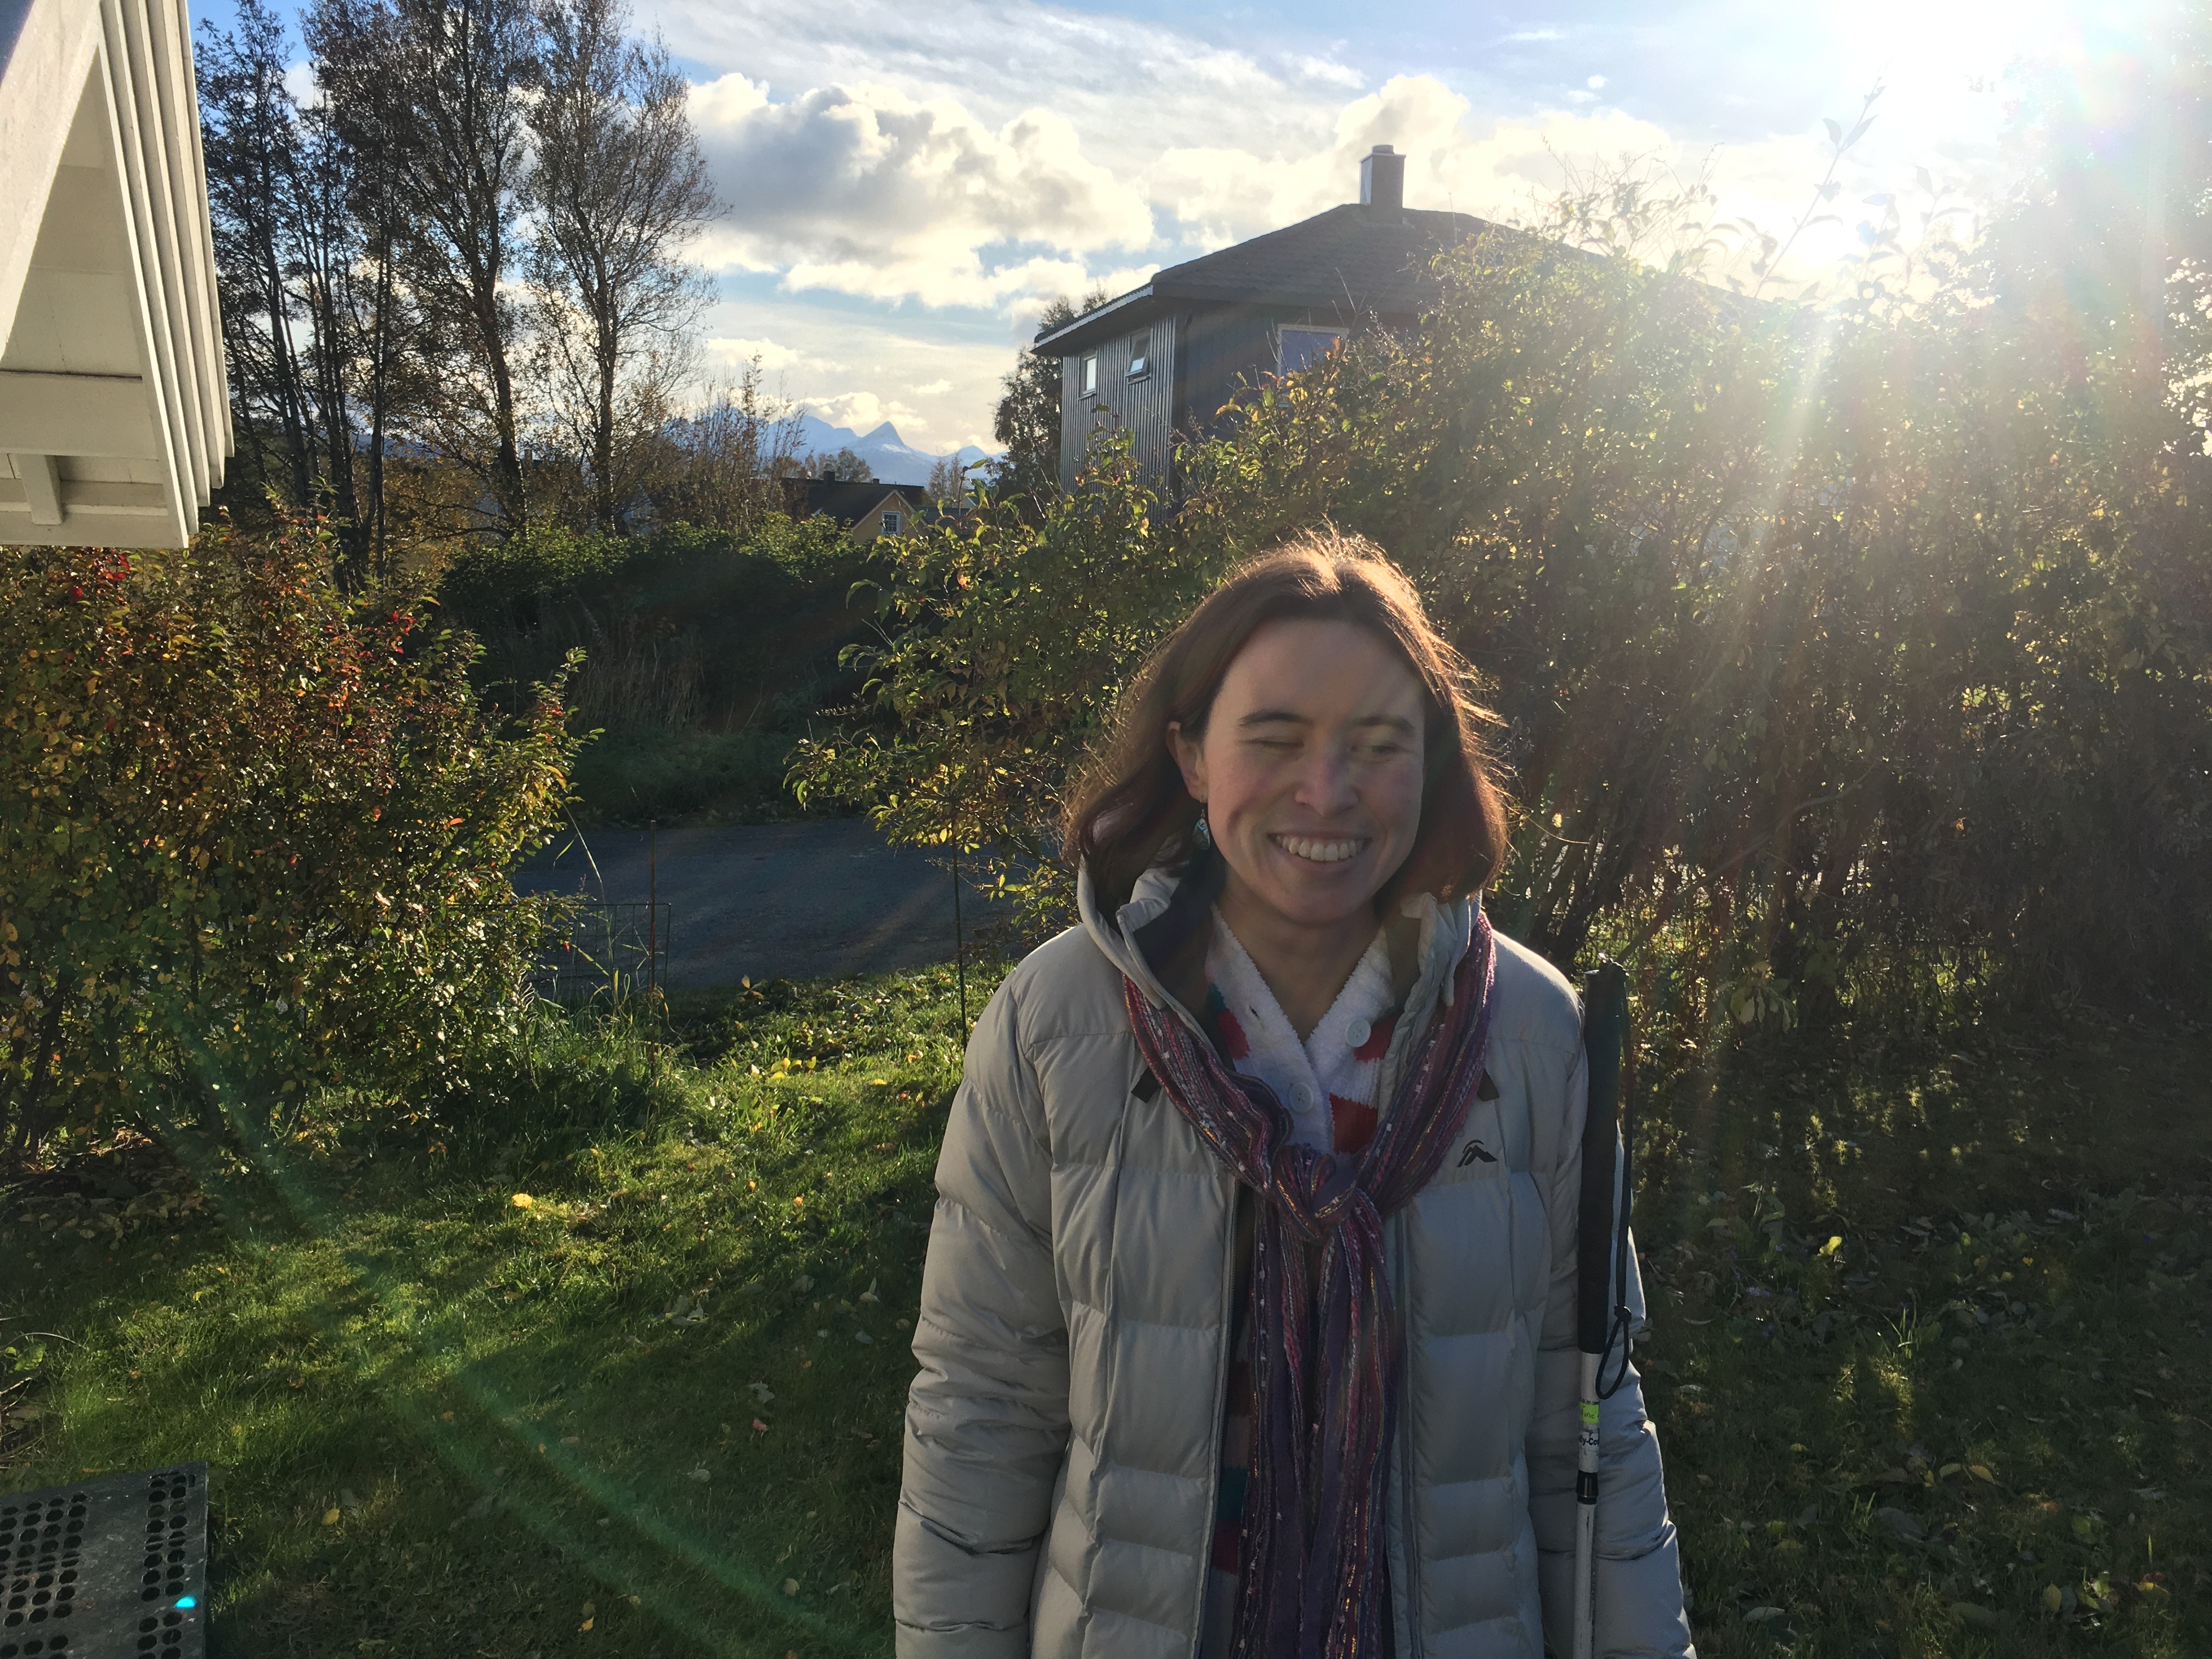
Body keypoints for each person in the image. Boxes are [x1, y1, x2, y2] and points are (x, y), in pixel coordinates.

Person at [893, 531, 1694, 1659]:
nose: (1328, 792)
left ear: (1433, 761)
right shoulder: (1056, 1026)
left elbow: (1591, 1421)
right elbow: (980, 1417)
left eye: (1378, 744)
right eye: (1274, 739)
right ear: (1190, 755)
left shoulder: (1527, 1034)